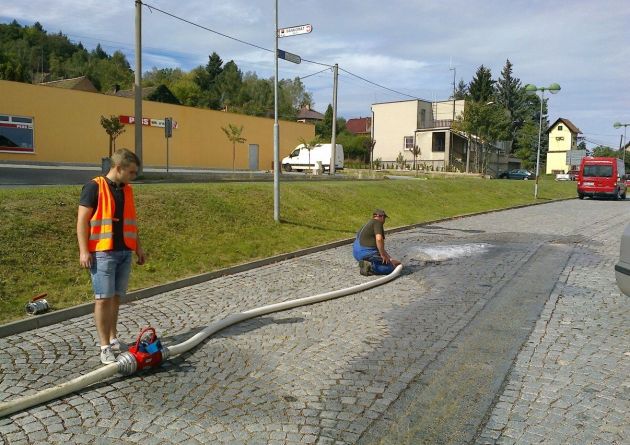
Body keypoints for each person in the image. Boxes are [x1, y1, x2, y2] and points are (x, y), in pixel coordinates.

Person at [77, 148, 146, 364]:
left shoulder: (127, 190)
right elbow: (82, 221)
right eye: (132, 172)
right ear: (118, 168)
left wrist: (138, 248)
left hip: (124, 251)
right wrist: (84, 250)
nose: (134, 176)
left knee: (116, 298)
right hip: (103, 252)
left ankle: (114, 338)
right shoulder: (93, 187)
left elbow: (131, 222)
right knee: (103, 300)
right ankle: (104, 346)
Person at [353, 209, 401, 276]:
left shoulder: (367, 224)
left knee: (391, 262)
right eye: (384, 218)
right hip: (366, 253)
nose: (384, 221)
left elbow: (379, 247)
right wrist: (382, 255)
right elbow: (379, 239)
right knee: (391, 268)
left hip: (356, 253)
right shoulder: (377, 223)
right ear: (382, 217)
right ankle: (371, 267)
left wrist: (390, 259)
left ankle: (367, 263)